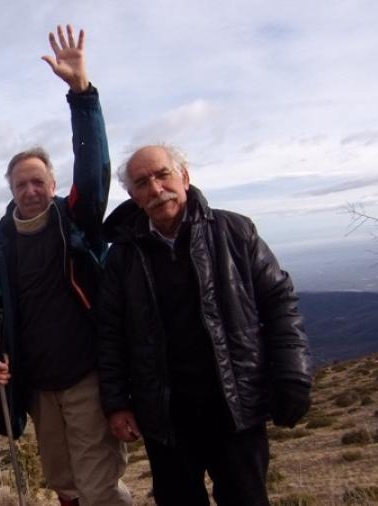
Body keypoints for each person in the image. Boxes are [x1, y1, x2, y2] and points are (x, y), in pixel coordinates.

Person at [98, 144, 313, 505]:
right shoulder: (122, 256)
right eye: (142, 183)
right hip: (165, 417)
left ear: (184, 177)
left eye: (162, 175)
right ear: (133, 196)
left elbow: (280, 304)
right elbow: (110, 334)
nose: (156, 188)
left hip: (234, 407)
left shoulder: (235, 232)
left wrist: (293, 375)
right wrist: (117, 403)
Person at [0, 26, 132, 506]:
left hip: (86, 376)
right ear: (11, 191)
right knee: (64, 483)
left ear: (53, 184)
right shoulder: (1, 247)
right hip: (38, 385)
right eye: (21, 184)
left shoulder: (75, 222)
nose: (30, 190)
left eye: (38, 181)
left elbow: (95, 171)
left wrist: (81, 95)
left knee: (99, 486)